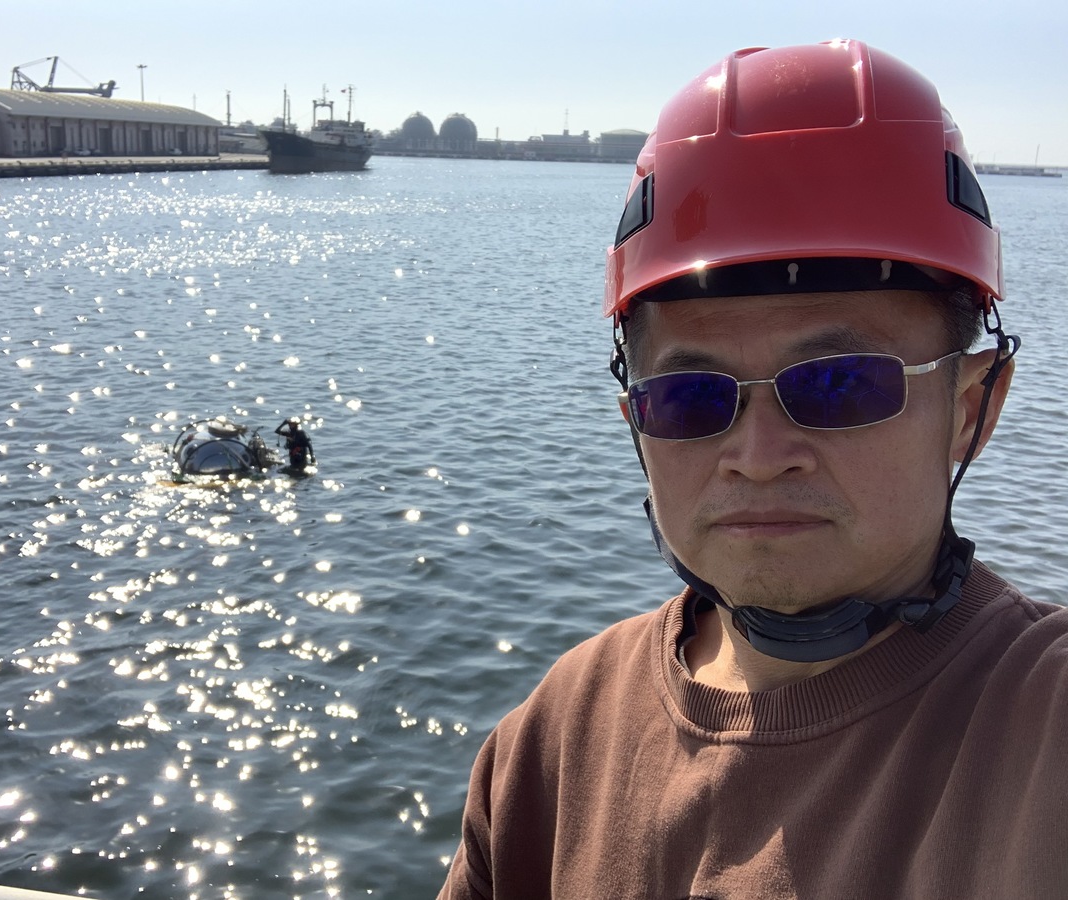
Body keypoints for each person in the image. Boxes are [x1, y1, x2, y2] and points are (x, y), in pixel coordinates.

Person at [439, 39, 1068, 899]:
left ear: (972, 409)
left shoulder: (1042, 730)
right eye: (691, 397)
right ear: (637, 420)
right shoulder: (553, 742)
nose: (760, 457)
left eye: (841, 384)